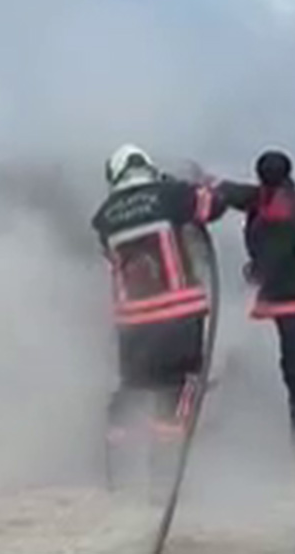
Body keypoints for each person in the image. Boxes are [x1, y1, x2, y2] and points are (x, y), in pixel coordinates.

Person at [91, 144, 228, 448]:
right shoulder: (170, 195)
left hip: (132, 320)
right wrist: (197, 186)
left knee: (134, 384)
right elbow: (213, 205)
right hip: (178, 312)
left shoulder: (103, 217)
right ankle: (165, 469)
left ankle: (116, 462)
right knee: (182, 384)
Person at [219, 149, 295, 475]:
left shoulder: (284, 212)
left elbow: (266, 264)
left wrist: (247, 278)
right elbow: (247, 196)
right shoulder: (273, 194)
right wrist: (212, 187)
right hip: (291, 296)